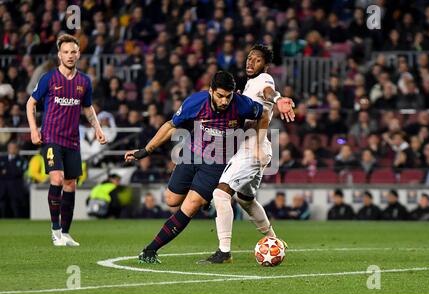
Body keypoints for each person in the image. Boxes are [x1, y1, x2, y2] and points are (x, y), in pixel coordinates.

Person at [124, 71, 270, 264]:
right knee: (171, 200)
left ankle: (150, 250)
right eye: (220, 96)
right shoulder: (196, 102)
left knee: (190, 205)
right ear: (210, 91)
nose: (225, 101)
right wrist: (145, 150)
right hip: (191, 154)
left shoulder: (241, 104)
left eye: (228, 96)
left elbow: (265, 114)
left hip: (217, 164)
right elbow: (170, 126)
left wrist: (258, 143)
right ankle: (203, 199)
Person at [199, 44, 295, 263]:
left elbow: (269, 93)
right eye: (250, 58)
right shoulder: (250, 84)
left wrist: (279, 99)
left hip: (253, 149)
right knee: (245, 199)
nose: (251, 62)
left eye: (257, 60)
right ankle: (274, 240)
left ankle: (224, 252)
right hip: (255, 148)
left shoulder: (264, 80)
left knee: (221, 194)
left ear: (266, 65)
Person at [26, 34, 107, 246]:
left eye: (73, 52)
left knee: (71, 184)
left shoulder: (84, 82)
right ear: (59, 55)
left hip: (73, 140)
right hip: (51, 138)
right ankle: (55, 231)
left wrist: (97, 128)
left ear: (78, 54)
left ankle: (66, 232)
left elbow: (88, 108)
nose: (70, 56)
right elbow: (30, 103)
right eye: (66, 52)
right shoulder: (49, 78)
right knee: (58, 178)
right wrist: (34, 130)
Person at [0, 141, 28, 218]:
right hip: (3, 186)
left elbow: (19, 172)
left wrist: (6, 172)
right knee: (2, 203)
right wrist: (11, 172)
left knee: (15, 204)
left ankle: (17, 220)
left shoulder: (21, 160)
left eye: (13, 148)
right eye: (10, 148)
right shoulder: (2, 159)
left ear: (17, 149)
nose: (12, 149)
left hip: (16, 186)